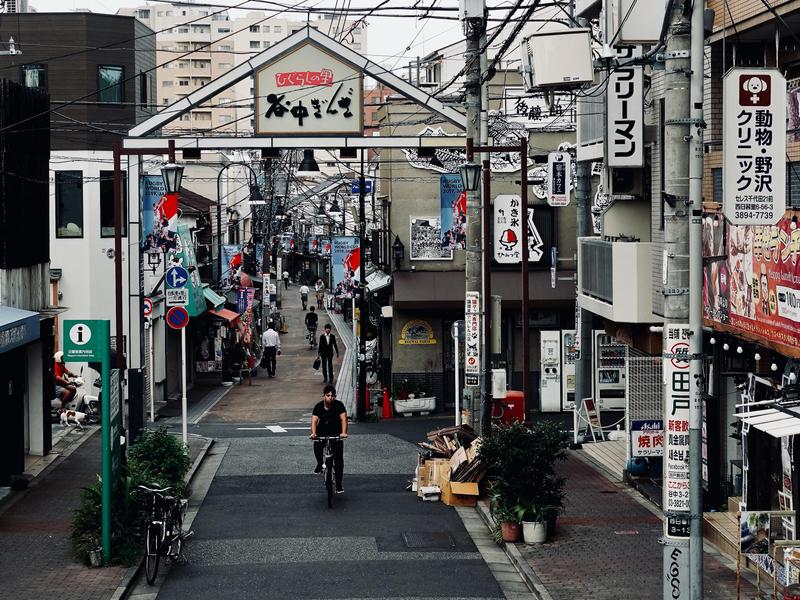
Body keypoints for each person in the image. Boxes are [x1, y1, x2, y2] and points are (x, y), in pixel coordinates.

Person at [310, 384, 348, 494]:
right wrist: (313, 433)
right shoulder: (318, 406)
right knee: (317, 445)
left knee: (339, 460)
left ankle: (339, 485)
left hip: (336, 433)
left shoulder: (339, 405)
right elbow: (314, 421)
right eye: (328, 395)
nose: (330, 397)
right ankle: (319, 463)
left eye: (332, 395)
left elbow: (344, 419)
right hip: (322, 431)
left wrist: (344, 432)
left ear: (335, 396)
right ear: (324, 396)